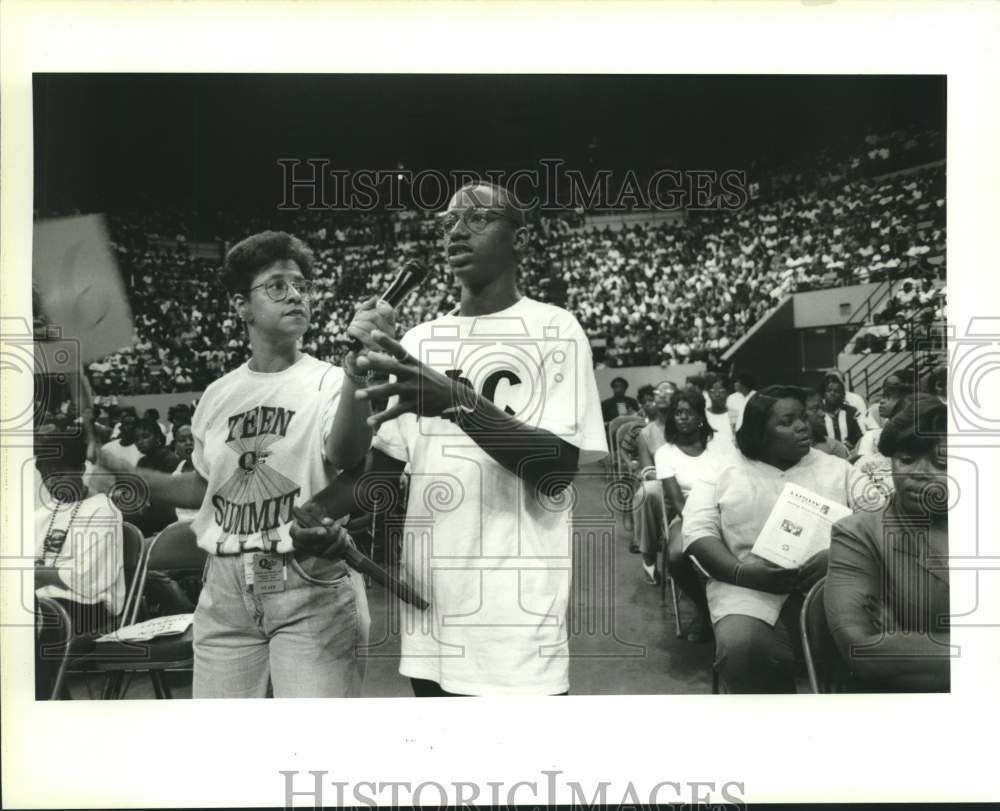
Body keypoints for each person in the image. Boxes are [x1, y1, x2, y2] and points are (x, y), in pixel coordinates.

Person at [98, 230, 391, 698]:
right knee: (223, 748)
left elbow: (348, 455)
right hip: (226, 585)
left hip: (307, 578)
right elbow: (203, 489)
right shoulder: (217, 395)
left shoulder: (330, 380)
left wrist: (357, 370)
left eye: (301, 285)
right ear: (241, 307)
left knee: (313, 746)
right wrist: (136, 479)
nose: (295, 294)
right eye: (277, 285)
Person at [356, 182, 608, 696]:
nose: (457, 231)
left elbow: (556, 469)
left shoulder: (555, 328)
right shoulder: (420, 341)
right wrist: (321, 516)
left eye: (478, 219)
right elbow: (381, 481)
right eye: (449, 221)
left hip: (515, 619)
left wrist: (457, 400)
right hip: (430, 615)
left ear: (520, 239)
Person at [683, 385, 879, 693]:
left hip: (832, 584)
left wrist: (839, 555)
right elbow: (697, 532)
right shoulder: (721, 469)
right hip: (747, 588)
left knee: (865, 647)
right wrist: (741, 572)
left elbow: (882, 521)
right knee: (741, 648)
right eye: (786, 422)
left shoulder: (838, 469)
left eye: (802, 417)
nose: (802, 426)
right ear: (759, 432)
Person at [826, 394, 950, 691]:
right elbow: (863, 651)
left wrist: (905, 641)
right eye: (906, 459)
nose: (919, 473)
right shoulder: (858, 535)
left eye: (941, 461)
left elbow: (892, 653)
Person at [653, 388, 721, 641]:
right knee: (677, 555)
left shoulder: (718, 449)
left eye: (689, 412)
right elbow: (677, 502)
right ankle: (704, 606)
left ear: (700, 417)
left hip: (722, 510)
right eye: (678, 412)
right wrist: (701, 523)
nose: (682, 417)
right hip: (687, 515)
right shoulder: (665, 453)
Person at [630, 380, 676, 562]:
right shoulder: (646, 433)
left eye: (668, 391)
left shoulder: (686, 423)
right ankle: (648, 555)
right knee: (646, 493)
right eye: (658, 392)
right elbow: (648, 470)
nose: (662, 394)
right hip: (661, 481)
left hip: (691, 477)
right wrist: (671, 479)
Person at [820, 373, 865, 449]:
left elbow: (860, 437)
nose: (832, 393)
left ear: (842, 394)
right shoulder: (820, 413)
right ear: (824, 393)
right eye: (829, 390)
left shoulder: (851, 412)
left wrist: (854, 447)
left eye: (836, 391)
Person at [803, 388, 850, 459]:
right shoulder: (787, 449)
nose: (823, 414)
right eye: (815, 409)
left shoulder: (834, 448)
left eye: (822, 408)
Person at [171, 423, 199, 522]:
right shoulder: (176, 473)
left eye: (192, 439)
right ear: (175, 446)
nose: (188, 443)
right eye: (182, 440)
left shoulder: (210, 469)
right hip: (182, 528)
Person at [703, 373, 734, 446]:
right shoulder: (703, 415)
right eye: (712, 391)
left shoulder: (735, 414)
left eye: (721, 391)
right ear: (707, 393)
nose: (717, 394)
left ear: (728, 392)